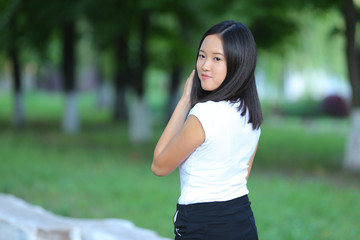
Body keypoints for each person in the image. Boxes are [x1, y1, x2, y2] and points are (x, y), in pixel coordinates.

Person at [152, 20, 263, 240]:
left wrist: (185, 101)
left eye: (217, 59)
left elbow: (159, 165)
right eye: (202, 55)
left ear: (238, 64)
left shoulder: (205, 114)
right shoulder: (251, 115)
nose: (205, 66)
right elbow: (242, 175)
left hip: (203, 224)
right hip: (242, 220)